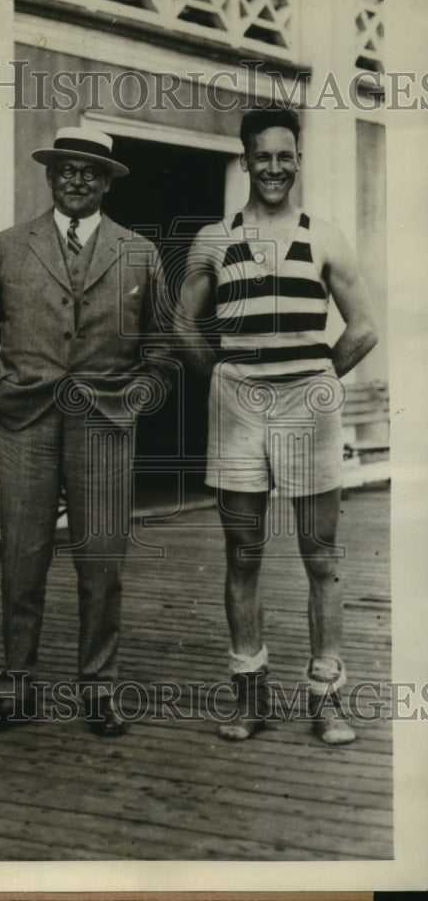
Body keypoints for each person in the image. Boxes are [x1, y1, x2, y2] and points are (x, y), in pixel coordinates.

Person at [0, 127, 171, 737]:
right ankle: (16, 688)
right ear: (49, 177)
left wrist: (136, 396)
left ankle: (98, 689)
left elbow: (161, 345)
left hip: (103, 426)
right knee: (21, 562)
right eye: (67, 169)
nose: (78, 179)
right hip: (25, 420)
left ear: (107, 181)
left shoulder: (137, 251)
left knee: (101, 563)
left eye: (91, 171)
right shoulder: (8, 245)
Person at [175, 107, 378, 745]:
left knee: (320, 557)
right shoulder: (214, 238)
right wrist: (222, 374)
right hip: (238, 406)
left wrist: (319, 378)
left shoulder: (324, 235)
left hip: (308, 410)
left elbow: (364, 327)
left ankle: (327, 698)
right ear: (245, 160)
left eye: (285, 156)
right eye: (261, 156)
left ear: (298, 160)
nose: (273, 167)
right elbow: (183, 322)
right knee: (243, 555)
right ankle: (250, 696)